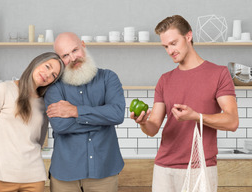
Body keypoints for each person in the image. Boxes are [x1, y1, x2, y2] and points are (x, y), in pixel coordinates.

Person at [130, 15, 239, 192]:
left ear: (188, 36)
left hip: (200, 167)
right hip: (164, 168)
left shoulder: (218, 74)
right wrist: (143, 122)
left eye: (173, 43)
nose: (169, 51)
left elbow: (232, 121)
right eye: (165, 46)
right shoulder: (165, 80)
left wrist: (196, 116)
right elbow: (153, 127)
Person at [44, 32, 125, 192]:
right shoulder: (54, 86)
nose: (73, 58)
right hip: (65, 174)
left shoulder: (108, 77)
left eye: (75, 50)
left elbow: (116, 113)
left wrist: (75, 111)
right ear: (60, 59)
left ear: (83, 45)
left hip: (104, 172)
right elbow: (60, 126)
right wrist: (102, 121)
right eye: (65, 55)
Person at [0, 52, 64, 192]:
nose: (48, 75)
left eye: (54, 75)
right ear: (36, 62)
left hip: (34, 176)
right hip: (2, 175)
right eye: (47, 66)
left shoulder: (44, 102)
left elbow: (40, 141)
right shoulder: (4, 89)